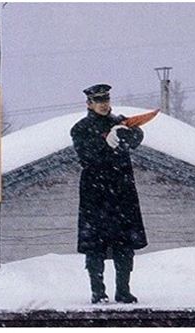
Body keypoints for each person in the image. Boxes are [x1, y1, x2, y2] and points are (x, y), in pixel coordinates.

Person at [70, 83, 148, 304]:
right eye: (99, 101)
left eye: (106, 100)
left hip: (122, 193)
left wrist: (127, 132)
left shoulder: (120, 122)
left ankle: (123, 290)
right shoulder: (80, 128)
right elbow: (86, 156)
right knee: (95, 246)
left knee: (124, 245)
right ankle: (98, 291)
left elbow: (137, 138)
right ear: (89, 103)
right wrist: (104, 142)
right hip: (95, 194)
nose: (104, 104)